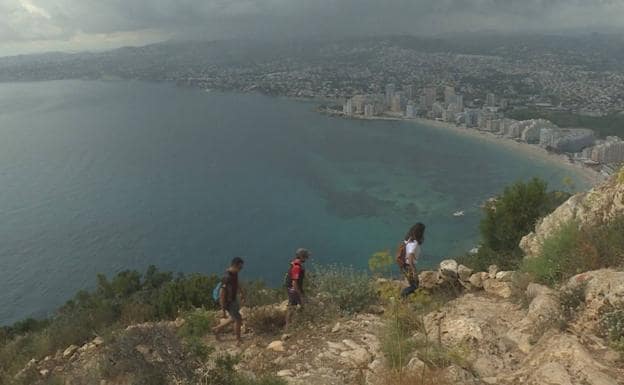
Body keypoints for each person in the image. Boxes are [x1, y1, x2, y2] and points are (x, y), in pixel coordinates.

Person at [212, 257, 245, 345]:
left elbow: (237, 283)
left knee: (234, 317)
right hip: (228, 302)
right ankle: (238, 339)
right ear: (235, 265)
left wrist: (241, 292)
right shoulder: (226, 277)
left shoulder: (235, 274)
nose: (241, 269)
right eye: (240, 267)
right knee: (238, 319)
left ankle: (217, 329)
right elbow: (222, 294)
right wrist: (222, 310)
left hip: (233, 299)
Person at [285, 248, 310, 329]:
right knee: (303, 304)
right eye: (305, 256)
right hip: (294, 289)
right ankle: (290, 325)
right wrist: (299, 293)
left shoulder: (294, 265)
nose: (306, 258)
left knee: (293, 306)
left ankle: (291, 324)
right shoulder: (297, 267)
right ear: (302, 257)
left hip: (292, 289)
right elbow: (294, 282)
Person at [400, 223, 425, 298]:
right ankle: (402, 296)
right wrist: (414, 270)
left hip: (404, 265)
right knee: (415, 285)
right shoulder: (414, 243)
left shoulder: (408, 239)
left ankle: (408, 299)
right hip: (409, 266)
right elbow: (410, 256)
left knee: (413, 284)